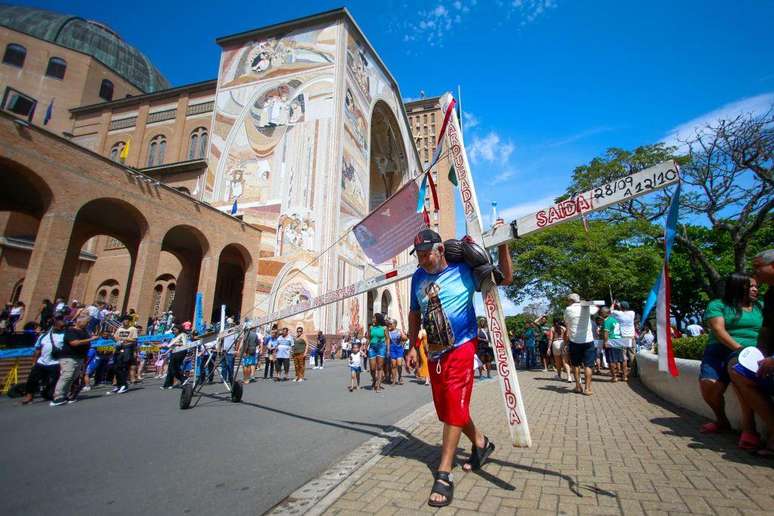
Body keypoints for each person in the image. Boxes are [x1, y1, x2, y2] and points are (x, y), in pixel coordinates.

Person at [405, 227, 512, 507]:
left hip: (463, 345)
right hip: (436, 352)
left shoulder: (464, 268)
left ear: (440, 249)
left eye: (426, 253)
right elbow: (414, 312)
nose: (423, 260)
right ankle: (480, 443)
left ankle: (443, 473)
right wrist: (413, 346)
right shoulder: (417, 276)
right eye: (418, 255)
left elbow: (506, 278)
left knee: (454, 403)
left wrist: (502, 245)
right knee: (447, 410)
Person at [699, 272, 762, 448]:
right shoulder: (718, 305)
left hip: (751, 353)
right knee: (709, 385)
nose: (756, 289)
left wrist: (748, 354)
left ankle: (749, 429)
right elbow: (719, 330)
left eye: (756, 286)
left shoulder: (761, 307)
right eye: (751, 286)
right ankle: (721, 421)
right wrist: (739, 349)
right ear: (738, 287)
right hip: (720, 350)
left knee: (741, 378)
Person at [728, 249, 774, 457]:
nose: (755, 273)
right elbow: (767, 330)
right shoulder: (771, 295)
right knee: (738, 370)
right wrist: (762, 356)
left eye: (757, 267)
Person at [51, 315, 98, 406]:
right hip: (69, 357)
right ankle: (57, 396)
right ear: (79, 322)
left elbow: (85, 344)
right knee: (67, 375)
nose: (88, 324)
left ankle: (65, 395)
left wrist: (85, 356)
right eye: (86, 322)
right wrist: (90, 339)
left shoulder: (85, 331)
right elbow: (74, 343)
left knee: (73, 376)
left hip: (79, 357)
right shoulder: (71, 331)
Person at [21, 315, 64, 404]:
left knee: (54, 381)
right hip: (41, 362)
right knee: (32, 379)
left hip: (55, 362)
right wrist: (34, 361)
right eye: (59, 325)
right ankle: (29, 396)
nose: (61, 327)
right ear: (53, 326)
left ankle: (51, 394)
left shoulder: (64, 336)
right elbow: (38, 350)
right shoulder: (44, 336)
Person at [563, 293, 599, 396]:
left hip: (574, 341)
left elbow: (567, 323)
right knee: (588, 365)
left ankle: (578, 386)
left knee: (575, 365)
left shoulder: (568, 310)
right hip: (588, 340)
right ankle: (587, 388)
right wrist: (586, 303)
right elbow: (596, 308)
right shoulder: (586, 307)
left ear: (570, 300)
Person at [109, 316, 138, 395]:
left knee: (123, 367)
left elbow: (134, 340)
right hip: (119, 348)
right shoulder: (119, 329)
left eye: (127, 320)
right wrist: (114, 338)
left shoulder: (133, 329)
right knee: (116, 367)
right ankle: (118, 385)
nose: (125, 321)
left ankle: (124, 385)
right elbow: (116, 337)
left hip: (127, 348)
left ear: (129, 321)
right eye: (124, 320)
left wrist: (125, 339)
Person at [602, 307, 627, 382]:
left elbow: (606, 332)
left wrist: (605, 342)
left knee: (611, 360)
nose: (601, 313)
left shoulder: (607, 321)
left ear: (606, 313)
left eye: (602, 312)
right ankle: (624, 376)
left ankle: (614, 377)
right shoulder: (615, 320)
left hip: (611, 341)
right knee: (622, 359)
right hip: (619, 341)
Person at [368, 313, 388, 391]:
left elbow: (387, 338)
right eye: (372, 318)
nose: (372, 319)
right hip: (372, 347)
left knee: (379, 367)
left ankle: (378, 385)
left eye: (374, 318)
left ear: (378, 319)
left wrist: (388, 349)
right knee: (372, 368)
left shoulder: (384, 328)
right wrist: (365, 346)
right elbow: (369, 338)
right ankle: (374, 379)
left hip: (381, 347)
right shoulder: (371, 327)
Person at [388, 319, 406, 385]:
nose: (389, 325)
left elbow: (405, 338)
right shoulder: (388, 332)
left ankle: (400, 376)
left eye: (391, 324)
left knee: (399, 364)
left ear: (395, 324)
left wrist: (403, 336)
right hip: (392, 349)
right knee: (393, 365)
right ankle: (394, 380)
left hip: (399, 349)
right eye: (389, 323)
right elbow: (387, 341)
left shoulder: (399, 331)